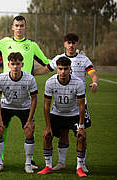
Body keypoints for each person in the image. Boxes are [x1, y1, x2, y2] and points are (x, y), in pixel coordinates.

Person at [0, 15, 50, 168]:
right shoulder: (5, 42)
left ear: (25, 27)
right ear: (12, 27)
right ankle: (0, 160)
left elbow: (47, 64)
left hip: (26, 94)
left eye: (21, 25)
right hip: (7, 93)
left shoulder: (32, 45)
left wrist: (33, 73)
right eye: (16, 25)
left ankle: (29, 161)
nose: (19, 28)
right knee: (1, 128)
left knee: (29, 129)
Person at [35, 33, 98, 173]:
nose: (71, 45)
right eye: (68, 42)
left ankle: (82, 165)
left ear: (77, 44)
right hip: (60, 105)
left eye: (73, 42)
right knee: (62, 134)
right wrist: (29, 71)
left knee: (81, 134)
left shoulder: (84, 59)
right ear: (64, 43)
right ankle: (61, 163)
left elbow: (92, 72)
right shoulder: (57, 60)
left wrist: (95, 82)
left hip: (78, 102)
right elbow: (45, 69)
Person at [37, 56, 88, 177]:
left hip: (74, 114)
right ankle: (48, 166)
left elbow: (81, 106)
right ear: (56, 69)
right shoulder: (50, 82)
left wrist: (81, 126)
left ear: (70, 69)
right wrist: (48, 126)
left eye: (65, 69)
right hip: (57, 114)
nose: (63, 72)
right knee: (47, 136)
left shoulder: (78, 83)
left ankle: (80, 167)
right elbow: (46, 105)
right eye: (60, 69)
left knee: (81, 137)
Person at [0, 52, 38, 173]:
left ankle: (28, 163)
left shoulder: (29, 78)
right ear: (8, 64)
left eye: (18, 64)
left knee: (29, 131)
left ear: (22, 64)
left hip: (24, 107)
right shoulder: (1, 78)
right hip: (6, 106)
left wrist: (30, 119)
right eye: (13, 64)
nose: (15, 67)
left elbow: (34, 98)